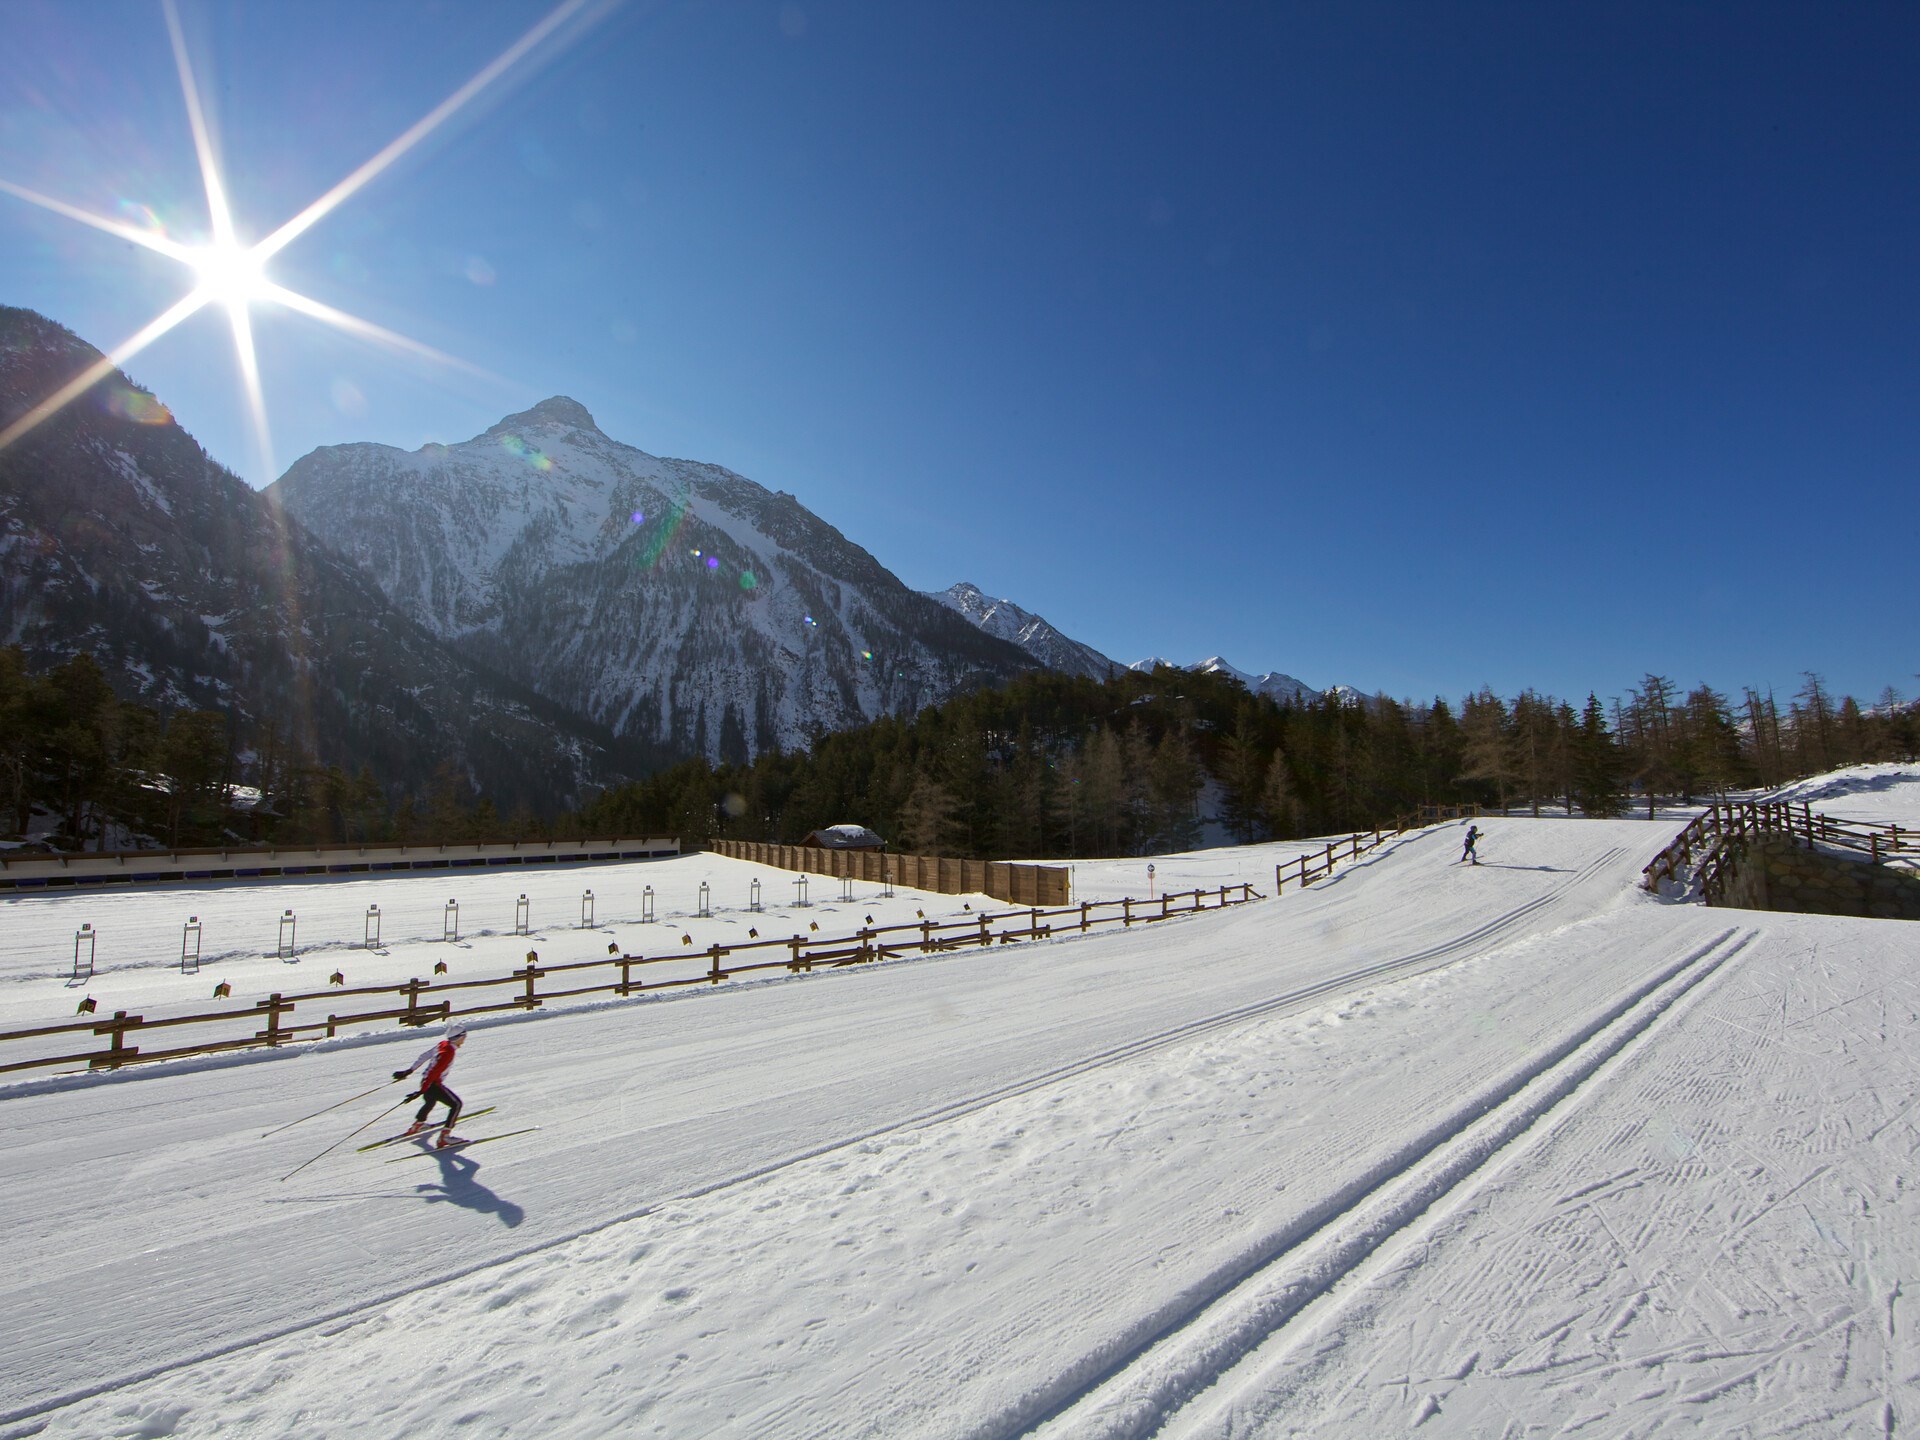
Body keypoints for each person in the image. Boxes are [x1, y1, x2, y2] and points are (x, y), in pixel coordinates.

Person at [394, 1024, 467, 1147]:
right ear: (458, 1037)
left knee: (430, 1101)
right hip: (432, 1083)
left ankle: (418, 1125)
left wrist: (410, 1070)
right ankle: (444, 1137)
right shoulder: (448, 1052)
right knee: (456, 1105)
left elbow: (425, 1055)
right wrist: (422, 1090)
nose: (465, 1039)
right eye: (464, 1036)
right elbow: (434, 1072)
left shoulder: (443, 1044)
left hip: (426, 1080)